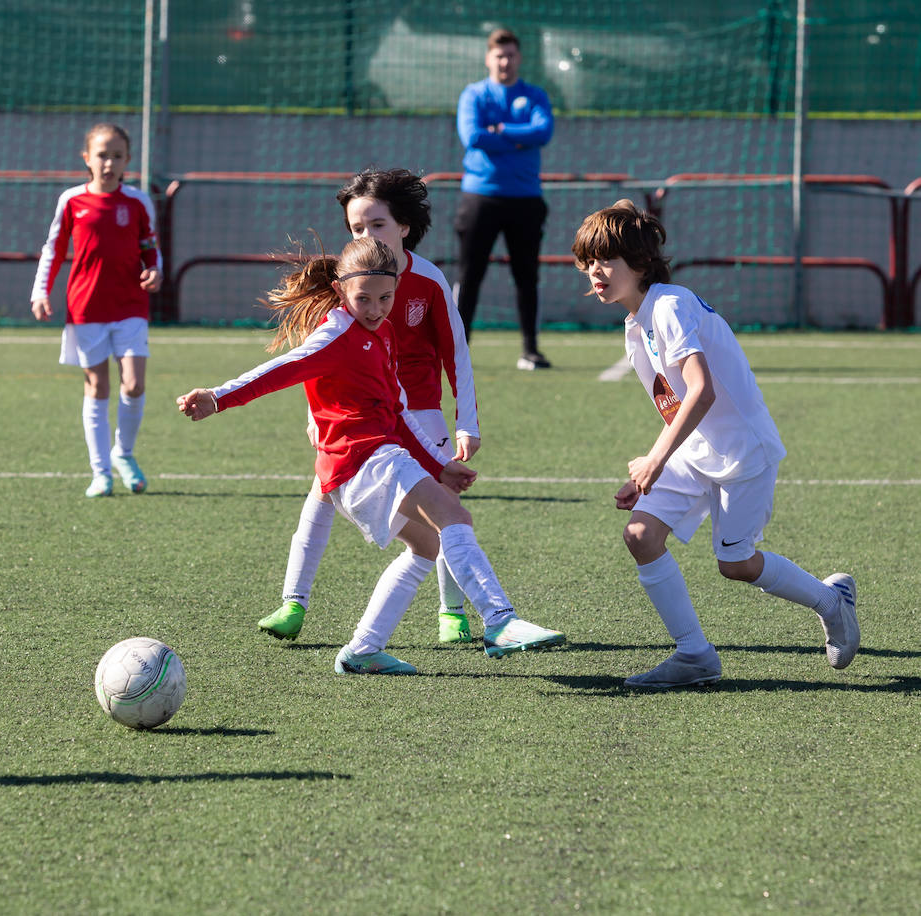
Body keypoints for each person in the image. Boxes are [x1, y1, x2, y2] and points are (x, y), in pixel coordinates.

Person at [177, 237, 565, 674]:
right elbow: (279, 371)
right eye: (365, 298)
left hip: (368, 461)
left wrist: (441, 466)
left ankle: (362, 650)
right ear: (342, 291)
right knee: (454, 517)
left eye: (386, 297)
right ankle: (500, 621)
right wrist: (217, 397)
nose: (377, 308)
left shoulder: (383, 332)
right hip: (361, 459)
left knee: (427, 544)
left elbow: (398, 410)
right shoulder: (335, 333)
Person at [572, 200, 859, 689]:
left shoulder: (669, 304)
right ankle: (695, 655)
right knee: (640, 536)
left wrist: (655, 459)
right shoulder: (636, 322)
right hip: (695, 451)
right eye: (587, 262)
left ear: (640, 263)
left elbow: (701, 390)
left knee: (736, 564)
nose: (595, 272)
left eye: (606, 260)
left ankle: (832, 602)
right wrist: (653, 464)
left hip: (742, 453)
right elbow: (676, 404)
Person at [259, 168, 504, 650]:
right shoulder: (350, 276)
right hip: (361, 416)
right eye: (356, 228)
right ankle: (293, 602)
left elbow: (457, 352)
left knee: (445, 507)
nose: (367, 235)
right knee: (321, 495)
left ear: (405, 226)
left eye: (377, 224)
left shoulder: (429, 278)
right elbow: (316, 356)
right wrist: (315, 415)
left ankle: (452, 610)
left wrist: (467, 421)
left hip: (421, 415)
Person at [31, 124, 163, 498]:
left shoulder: (137, 201)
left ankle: (123, 453)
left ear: (127, 161)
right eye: (102, 155)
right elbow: (53, 249)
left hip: (130, 305)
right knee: (97, 384)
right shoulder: (72, 201)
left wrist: (155, 269)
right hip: (86, 306)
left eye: (117, 155)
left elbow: (150, 247)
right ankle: (100, 471)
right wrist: (40, 291)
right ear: (87, 158)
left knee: (134, 383)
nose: (109, 162)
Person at [454, 28, 554, 370]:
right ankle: (457, 349)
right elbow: (473, 137)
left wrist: (502, 131)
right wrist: (518, 137)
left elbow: (543, 132)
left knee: (527, 277)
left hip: (526, 199)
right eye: (499, 55)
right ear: (488, 58)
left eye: (510, 55)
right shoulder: (474, 95)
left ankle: (531, 349)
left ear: (519, 58)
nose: (505, 61)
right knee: (470, 276)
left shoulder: (535, 95)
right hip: (480, 198)